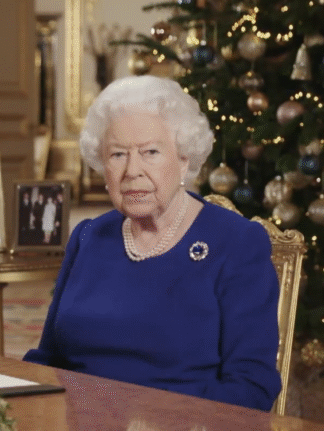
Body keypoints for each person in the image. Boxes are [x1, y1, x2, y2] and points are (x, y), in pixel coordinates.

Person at [22, 75, 281, 412]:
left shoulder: (236, 243)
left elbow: (252, 385)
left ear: (184, 159)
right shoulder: (88, 237)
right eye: (117, 155)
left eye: (151, 152)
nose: (132, 170)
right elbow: (48, 359)